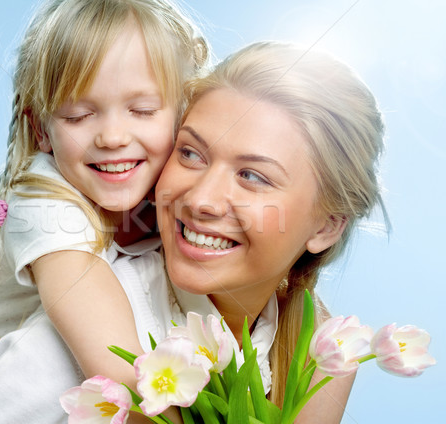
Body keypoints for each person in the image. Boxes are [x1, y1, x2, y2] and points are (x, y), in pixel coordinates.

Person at [0, 1, 207, 423]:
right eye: (80, 115)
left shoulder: (175, 184)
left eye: (142, 111)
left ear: (184, 114)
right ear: (42, 130)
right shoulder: (42, 202)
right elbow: (120, 372)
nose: (114, 136)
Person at [153, 41, 388, 422]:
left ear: (327, 226)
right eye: (191, 153)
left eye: (252, 177)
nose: (200, 200)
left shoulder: (318, 356)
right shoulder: (102, 296)